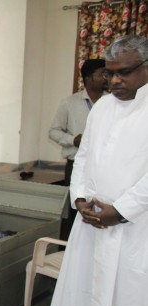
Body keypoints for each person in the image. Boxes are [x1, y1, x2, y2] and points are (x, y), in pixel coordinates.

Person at [44, 35, 148, 306]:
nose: (115, 81)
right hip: (91, 221)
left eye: (125, 73)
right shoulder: (102, 107)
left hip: (135, 228)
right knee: (84, 292)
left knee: (128, 305)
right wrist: (80, 198)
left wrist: (121, 210)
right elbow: (84, 155)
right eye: (110, 73)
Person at [49, 58, 108, 240]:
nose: (107, 78)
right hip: (76, 165)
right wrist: (73, 140)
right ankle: (71, 245)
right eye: (102, 74)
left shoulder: (111, 102)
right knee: (76, 209)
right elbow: (53, 131)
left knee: (101, 207)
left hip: (103, 167)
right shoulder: (69, 103)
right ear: (88, 78)